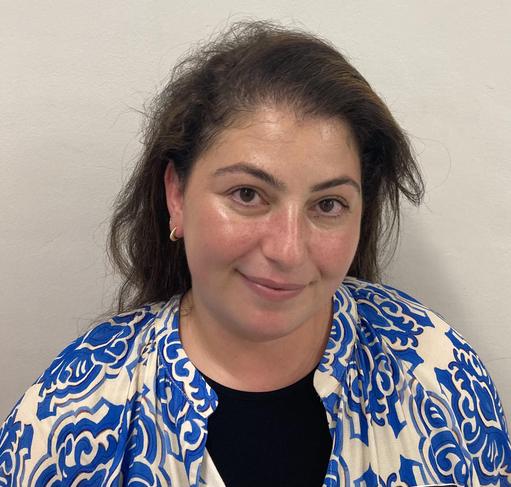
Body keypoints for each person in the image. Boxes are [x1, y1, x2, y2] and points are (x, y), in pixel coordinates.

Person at [1, 20, 510, 487]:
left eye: (328, 204)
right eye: (247, 194)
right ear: (176, 195)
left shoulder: (438, 370)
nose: (288, 250)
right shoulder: (66, 419)